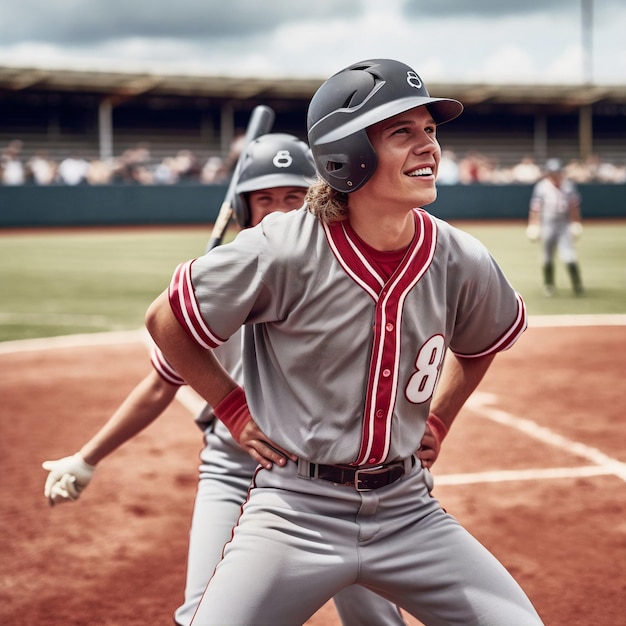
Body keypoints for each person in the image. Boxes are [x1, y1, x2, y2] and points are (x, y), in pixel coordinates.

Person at [145, 59, 544, 625]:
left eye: (430, 130)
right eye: (401, 132)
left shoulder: (461, 257)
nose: (427, 146)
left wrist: (440, 420)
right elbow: (167, 319)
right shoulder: (280, 248)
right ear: (346, 153)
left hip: (408, 510)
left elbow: (481, 344)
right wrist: (232, 407)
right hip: (296, 512)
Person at [42, 132, 417, 626]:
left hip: (331, 475)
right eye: (266, 198)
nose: (282, 211)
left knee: (375, 620)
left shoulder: (352, 278)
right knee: (203, 614)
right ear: (244, 208)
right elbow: (161, 382)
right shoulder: (222, 282)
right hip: (232, 466)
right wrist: (87, 458)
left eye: (294, 196)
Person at [526, 157, 584, 296]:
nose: (555, 175)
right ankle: (549, 284)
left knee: (569, 255)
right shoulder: (542, 186)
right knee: (547, 255)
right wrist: (533, 224)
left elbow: (573, 207)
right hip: (548, 223)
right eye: (552, 172)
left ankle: (577, 285)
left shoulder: (568, 186)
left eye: (557, 172)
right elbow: (535, 208)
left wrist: (575, 222)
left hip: (563, 223)